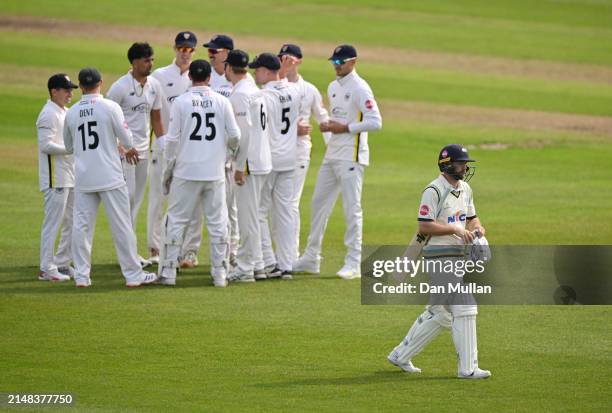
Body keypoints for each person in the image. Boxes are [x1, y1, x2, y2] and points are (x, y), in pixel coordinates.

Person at [387, 144, 491, 379]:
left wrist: (477, 229)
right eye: (461, 163)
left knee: (440, 313)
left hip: (457, 256)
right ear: (447, 164)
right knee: (465, 307)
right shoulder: (433, 190)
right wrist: (454, 229)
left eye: (466, 163)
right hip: (438, 256)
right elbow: (425, 225)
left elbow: (472, 218)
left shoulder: (465, 189)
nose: (465, 167)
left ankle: (400, 355)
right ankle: (468, 369)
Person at [294, 45, 382, 279]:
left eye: (340, 62)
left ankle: (353, 262)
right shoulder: (333, 87)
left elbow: (376, 122)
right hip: (332, 154)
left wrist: (345, 128)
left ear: (353, 62)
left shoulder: (361, 88)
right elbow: (338, 118)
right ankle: (311, 257)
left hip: (352, 157)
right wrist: (330, 126)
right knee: (318, 204)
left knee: (352, 209)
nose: (337, 66)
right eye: (334, 62)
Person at [63, 67, 157, 288]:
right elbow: (127, 137)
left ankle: (82, 276)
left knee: (82, 227)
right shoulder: (110, 107)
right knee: (122, 225)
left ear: (81, 86)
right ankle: (133, 275)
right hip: (111, 176)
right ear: (101, 82)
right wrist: (127, 147)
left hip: (85, 177)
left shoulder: (72, 112)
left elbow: (68, 146)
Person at [157, 60, 241, 287]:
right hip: (214, 172)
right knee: (218, 223)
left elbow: (172, 141)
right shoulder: (222, 102)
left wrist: (167, 171)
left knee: (176, 221)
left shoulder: (182, 102)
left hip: (186, 171)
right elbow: (235, 136)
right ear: (210, 78)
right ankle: (220, 275)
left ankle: (168, 273)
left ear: (190, 77)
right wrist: (227, 157)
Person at [107, 42, 164, 267]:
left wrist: (163, 146)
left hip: (143, 153)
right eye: (146, 60)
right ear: (134, 62)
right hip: (123, 154)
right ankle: (128, 256)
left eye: (152, 59)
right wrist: (119, 147)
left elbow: (157, 119)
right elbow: (106, 120)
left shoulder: (154, 86)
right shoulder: (119, 87)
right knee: (126, 201)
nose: (150, 63)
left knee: (136, 202)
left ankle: (129, 254)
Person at [148, 31, 202, 267]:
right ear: (175, 49)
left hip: (191, 150)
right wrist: (160, 140)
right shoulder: (159, 76)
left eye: (189, 49)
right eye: (181, 48)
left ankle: (188, 252)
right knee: (158, 198)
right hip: (164, 147)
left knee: (192, 201)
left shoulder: (199, 77)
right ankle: (155, 249)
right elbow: (154, 111)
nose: (185, 53)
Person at [203, 34, 256, 267]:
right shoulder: (213, 80)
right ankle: (231, 254)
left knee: (232, 209)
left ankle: (233, 254)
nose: (211, 53)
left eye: (216, 50)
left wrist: (238, 162)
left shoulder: (242, 88)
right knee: (223, 208)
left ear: (228, 60)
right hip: (217, 154)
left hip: (233, 157)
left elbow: (243, 130)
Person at [249, 53, 302, 280]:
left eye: (257, 69)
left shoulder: (262, 96)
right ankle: (286, 264)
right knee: (286, 212)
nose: (254, 73)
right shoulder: (295, 91)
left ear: (267, 71)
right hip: (290, 159)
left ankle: (269, 261)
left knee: (259, 211)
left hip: (269, 160)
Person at [277, 44, 331, 258]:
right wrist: (292, 129)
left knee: (290, 203)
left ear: (298, 61)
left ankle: (290, 254)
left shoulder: (308, 90)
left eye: (289, 58)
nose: (285, 62)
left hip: (299, 151)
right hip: (276, 151)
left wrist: (333, 149)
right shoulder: (273, 86)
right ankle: (279, 253)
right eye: (282, 58)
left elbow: (323, 118)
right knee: (276, 204)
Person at [224, 50, 272, 283]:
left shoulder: (241, 94)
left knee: (247, 218)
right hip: (261, 160)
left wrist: (240, 166)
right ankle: (257, 266)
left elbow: (244, 133)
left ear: (228, 68)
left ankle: (245, 269)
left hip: (250, 164)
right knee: (253, 216)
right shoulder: (254, 89)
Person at [36, 73, 78, 282]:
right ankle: (46, 267)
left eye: (71, 89)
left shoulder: (65, 112)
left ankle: (62, 262)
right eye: (66, 89)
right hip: (55, 178)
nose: (70, 93)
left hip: (69, 175)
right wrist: (70, 149)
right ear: (54, 91)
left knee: (71, 220)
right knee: (53, 222)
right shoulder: (48, 114)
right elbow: (45, 146)